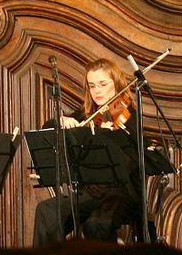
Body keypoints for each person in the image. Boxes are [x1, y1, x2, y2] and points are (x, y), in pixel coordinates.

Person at [32, 58, 144, 245]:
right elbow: (48, 126)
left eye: (102, 84)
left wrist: (108, 137)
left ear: (116, 84)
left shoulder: (129, 116)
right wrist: (61, 120)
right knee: (47, 212)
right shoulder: (87, 115)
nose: (97, 91)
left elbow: (131, 163)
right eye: (92, 86)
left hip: (120, 193)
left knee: (97, 224)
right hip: (91, 192)